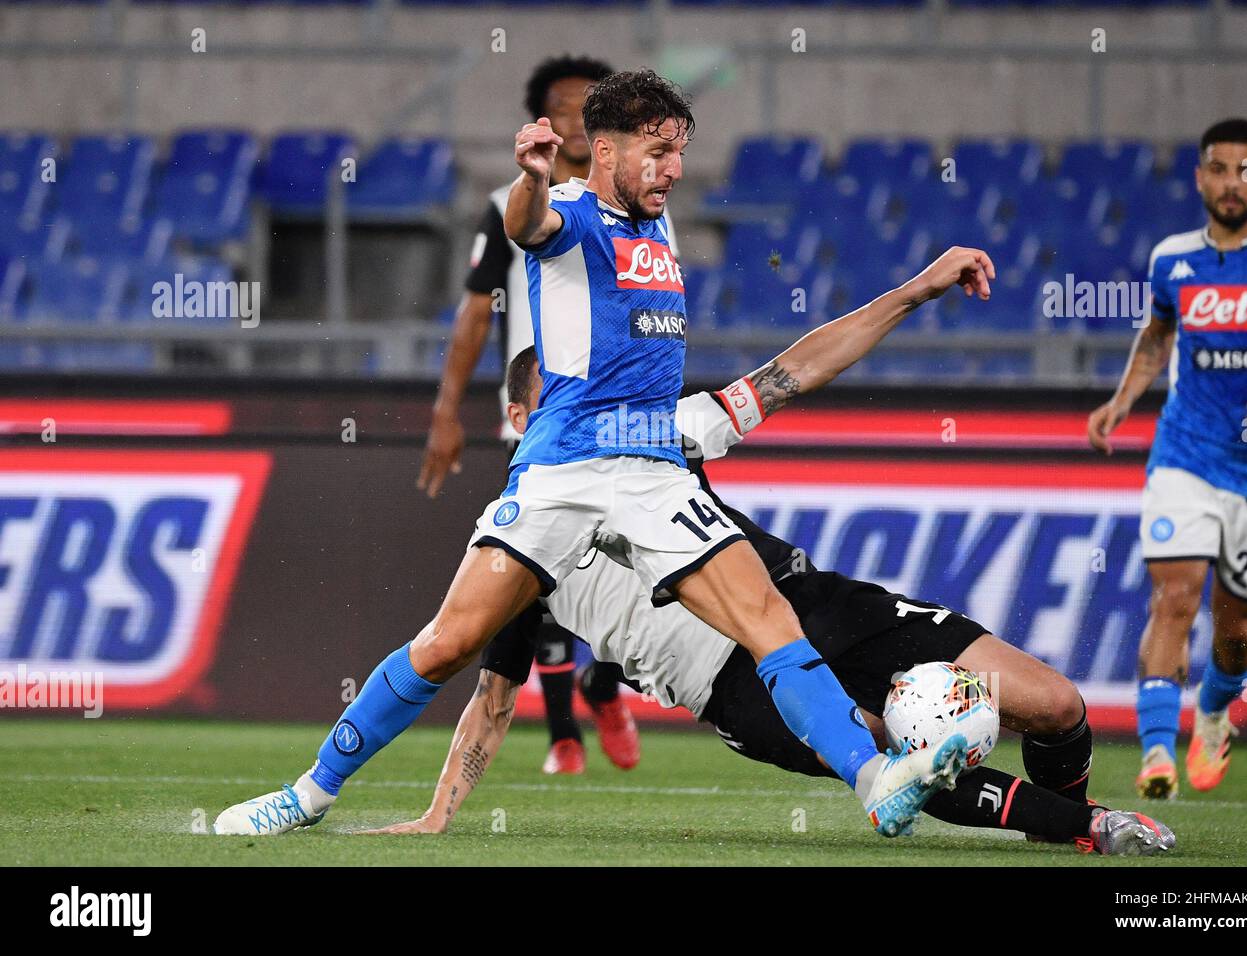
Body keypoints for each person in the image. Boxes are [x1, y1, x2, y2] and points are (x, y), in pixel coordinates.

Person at [213, 69, 996, 840]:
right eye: (657, 151)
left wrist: (916, 289)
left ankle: (875, 780)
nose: (675, 169)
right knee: (447, 644)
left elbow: (795, 370)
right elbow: (528, 228)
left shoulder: (656, 230)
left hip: (652, 469)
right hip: (563, 468)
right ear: (605, 150)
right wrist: (529, 177)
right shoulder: (570, 212)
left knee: (768, 619)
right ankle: (308, 795)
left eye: (680, 151)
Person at [367, 335, 1174, 856]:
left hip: (811, 602)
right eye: (561, 395)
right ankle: (1092, 829)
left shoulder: (659, 437)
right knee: (900, 761)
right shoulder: (518, 554)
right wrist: (440, 812)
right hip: (734, 687)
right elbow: (493, 701)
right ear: (517, 417)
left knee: (1057, 703)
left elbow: (793, 372)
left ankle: (1061, 824)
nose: (586, 407)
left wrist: (918, 290)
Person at [418, 54, 642, 776]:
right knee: (533, 573)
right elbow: (476, 312)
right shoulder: (512, 203)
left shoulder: (639, 205)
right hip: (544, 413)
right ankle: (562, 736)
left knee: (631, 561)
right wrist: (447, 411)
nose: (576, 118)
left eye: (589, 105)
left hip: (623, 413)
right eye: (562, 106)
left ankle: (603, 685)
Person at [1087, 118, 1247, 798]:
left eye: (1246, 170)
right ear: (1200, 177)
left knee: (1235, 626)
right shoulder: (1172, 259)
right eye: (1218, 168)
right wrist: (1122, 401)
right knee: (1173, 597)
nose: (1231, 182)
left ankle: (1213, 713)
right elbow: (1156, 336)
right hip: (1183, 456)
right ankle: (1156, 754)